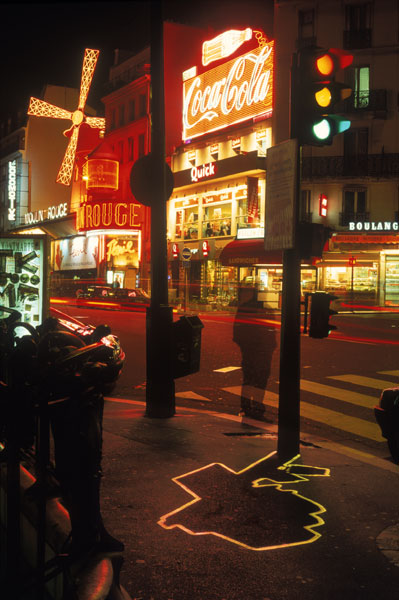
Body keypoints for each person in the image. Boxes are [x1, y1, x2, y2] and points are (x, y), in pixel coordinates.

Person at [232, 286, 277, 419]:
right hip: (260, 350)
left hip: (253, 349)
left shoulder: (246, 308)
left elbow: (237, 332)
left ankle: (247, 408)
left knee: (250, 379)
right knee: (259, 379)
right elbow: (270, 330)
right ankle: (255, 409)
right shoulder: (266, 309)